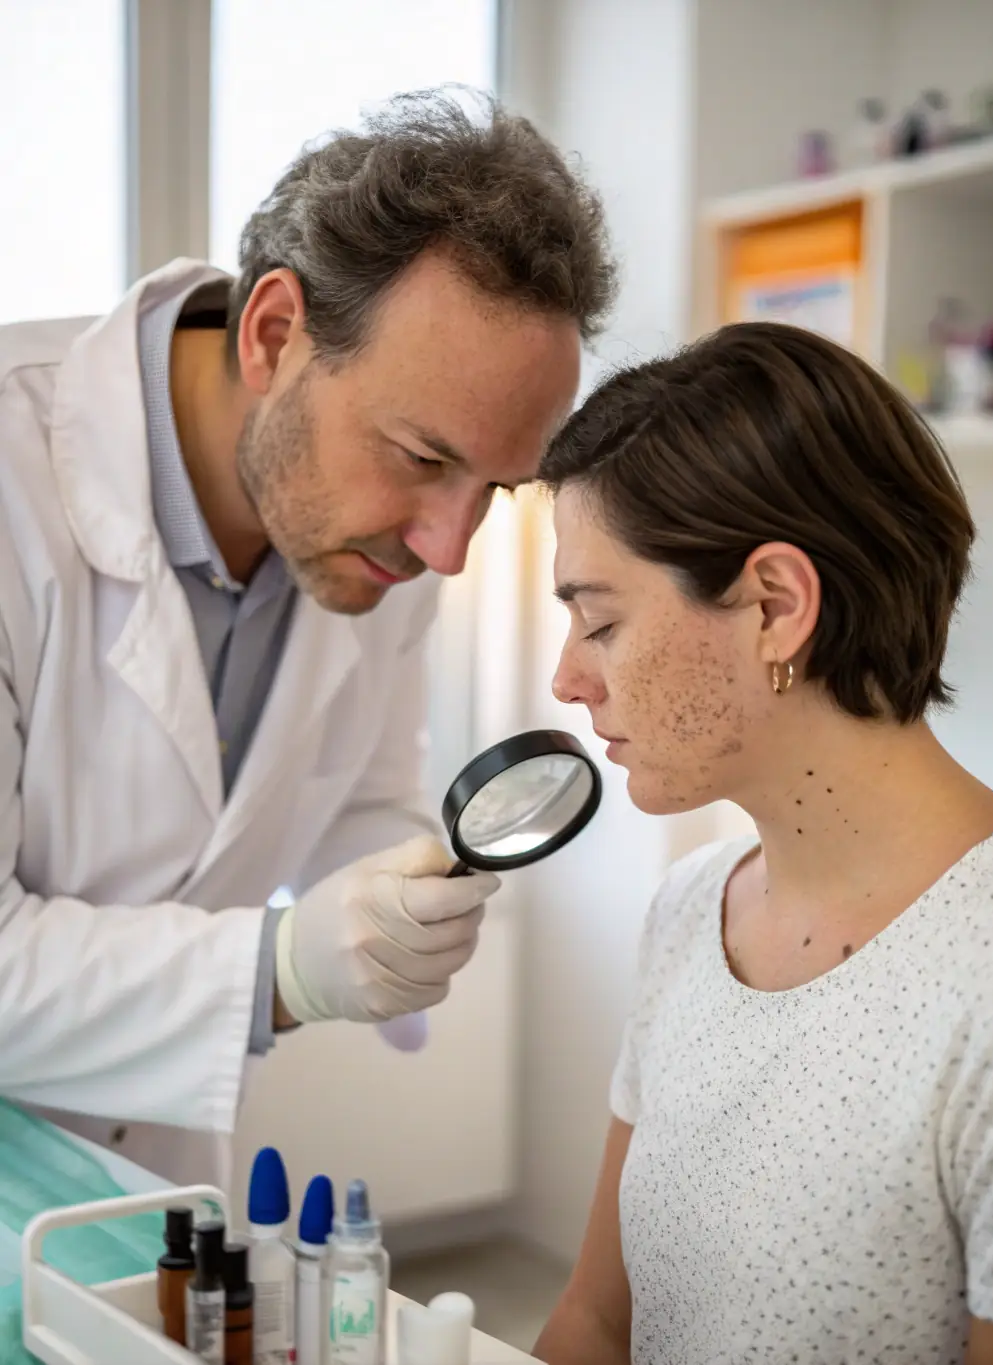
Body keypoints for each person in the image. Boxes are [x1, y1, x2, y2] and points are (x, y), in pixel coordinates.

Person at [0, 91, 615, 1185]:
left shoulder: (378, 545)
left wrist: (400, 897)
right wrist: (281, 967)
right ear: (275, 336)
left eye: (496, 489)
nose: (448, 548)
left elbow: (358, 798)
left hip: (146, 1185)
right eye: (425, 458)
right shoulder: (15, 478)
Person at [534, 323, 993, 1365]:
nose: (566, 681)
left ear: (774, 606)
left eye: (601, 621)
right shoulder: (689, 912)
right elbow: (594, 1322)